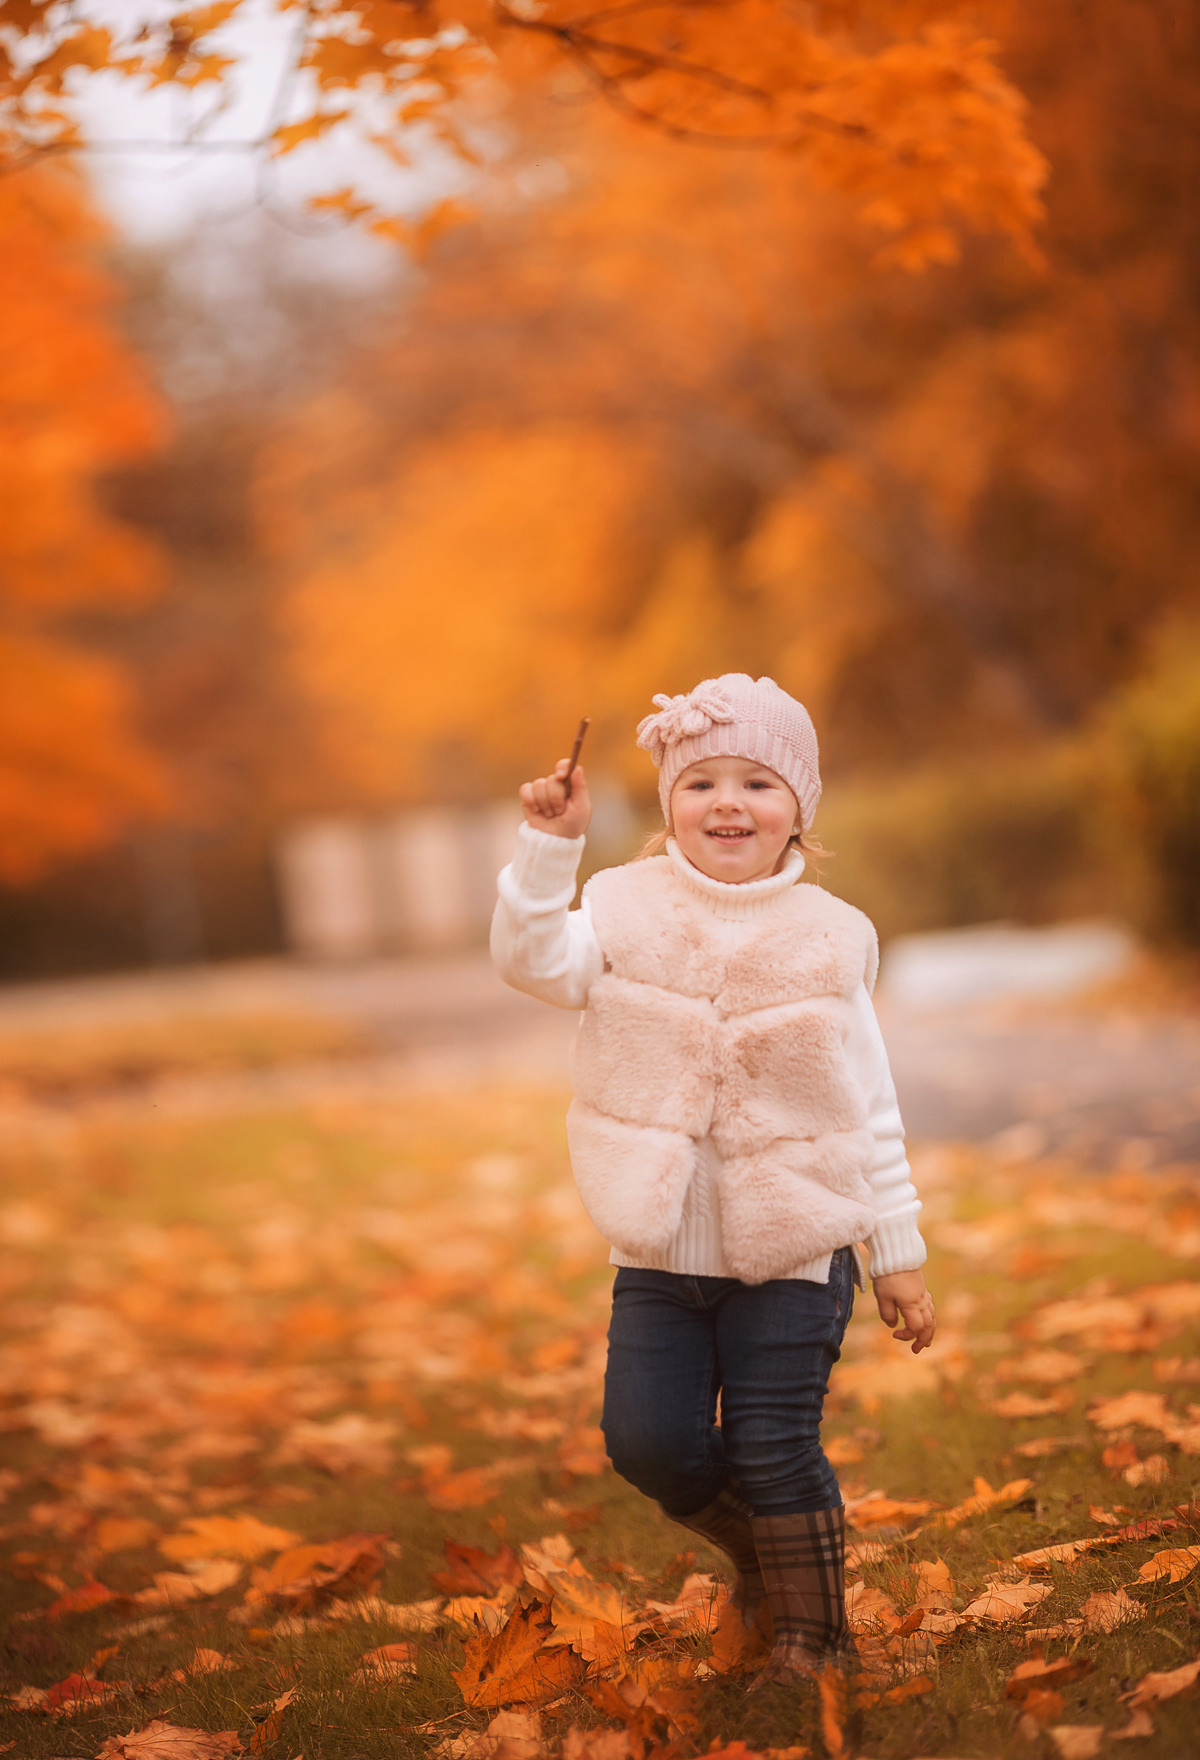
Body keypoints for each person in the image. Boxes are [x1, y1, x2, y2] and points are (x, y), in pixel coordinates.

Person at [491, 674, 935, 1687]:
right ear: (667, 803)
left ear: (800, 810)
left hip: (796, 1242)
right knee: (647, 1439)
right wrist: (550, 847)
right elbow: (529, 961)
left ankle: (815, 1642)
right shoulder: (618, 905)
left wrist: (894, 1250)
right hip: (659, 1246)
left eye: (757, 782)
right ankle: (764, 1552)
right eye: (700, 781)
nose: (727, 801)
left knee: (777, 1441)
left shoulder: (834, 933)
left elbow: (868, 1099)